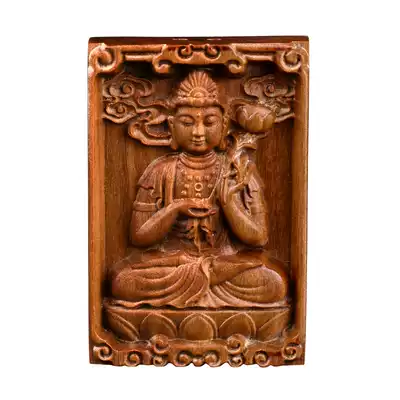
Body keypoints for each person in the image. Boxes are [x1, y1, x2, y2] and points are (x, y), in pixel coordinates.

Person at [110, 70, 288, 308]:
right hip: (174, 263)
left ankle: (200, 289)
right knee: (124, 282)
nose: (198, 132)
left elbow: (259, 237)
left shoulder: (237, 170)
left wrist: (228, 203)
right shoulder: (160, 170)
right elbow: (139, 236)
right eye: (187, 123)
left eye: (209, 122)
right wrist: (174, 208)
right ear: (172, 127)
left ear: (224, 126)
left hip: (224, 262)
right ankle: (205, 288)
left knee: (273, 283)